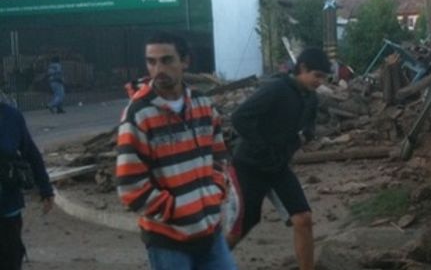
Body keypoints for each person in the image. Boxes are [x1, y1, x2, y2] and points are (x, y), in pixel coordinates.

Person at [115, 31, 237, 270]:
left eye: (166, 60)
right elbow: (130, 186)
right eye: (151, 61)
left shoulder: (203, 105)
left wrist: (213, 194)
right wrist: (176, 210)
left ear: (185, 62)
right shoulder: (139, 114)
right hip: (168, 240)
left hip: (210, 231)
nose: (158, 68)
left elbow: (219, 157)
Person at [228, 47, 331, 270]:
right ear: (302, 68)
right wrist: (263, 147)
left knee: (303, 219)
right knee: (243, 225)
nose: (320, 82)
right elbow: (239, 118)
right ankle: (207, 262)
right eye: (317, 75)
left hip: (278, 167)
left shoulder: (310, 98)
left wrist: (303, 138)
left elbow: (309, 127)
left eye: (323, 77)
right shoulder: (276, 89)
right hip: (249, 166)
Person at [0, 99, 54, 270]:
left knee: (10, 259)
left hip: (8, 207)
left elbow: (31, 153)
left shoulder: (11, 117)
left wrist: (46, 189)